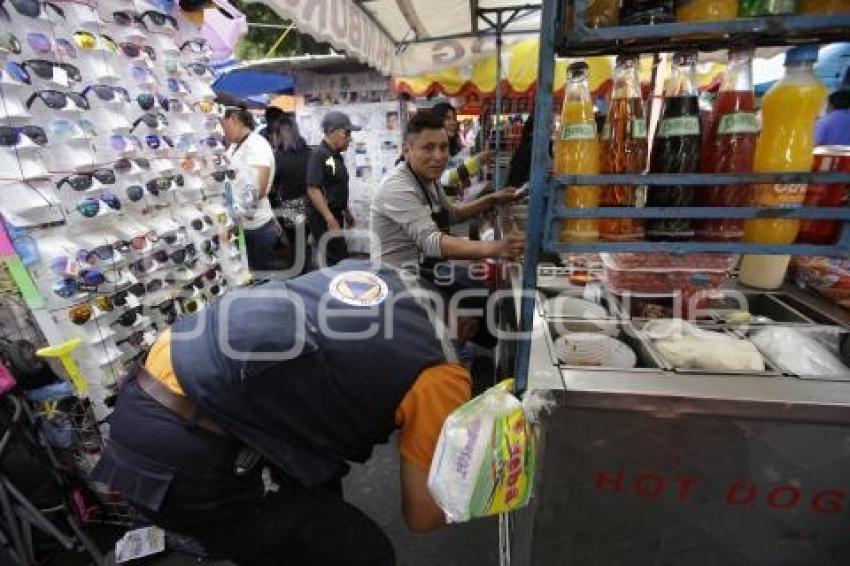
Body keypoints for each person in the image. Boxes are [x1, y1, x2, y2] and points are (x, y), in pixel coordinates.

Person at [91, 260, 475, 566]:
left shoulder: (375, 271)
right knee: (364, 555)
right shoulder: (441, 374)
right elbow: (423, 515)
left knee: (316, 499)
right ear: (468, 324)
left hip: (143, 397)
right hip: (188, 459)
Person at [370, 111, 525, 272]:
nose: (438, 156)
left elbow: (452, 214)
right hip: (396, 279)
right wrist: (497, 247)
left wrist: (492, 199)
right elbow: (431, 242)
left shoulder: (429, 179)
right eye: (428, 148)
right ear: (407, 150)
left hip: (425, 269)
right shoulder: (397, 187)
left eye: (443, 147)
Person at [221, 105, 281, 273]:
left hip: (256, 227)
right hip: (245, 225)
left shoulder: (256, 145)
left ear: (234, 119)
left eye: (223, 124)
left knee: (260, 280)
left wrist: (235, 218)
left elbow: (258, 189)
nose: (222, 130)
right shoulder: (236, 146)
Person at [306, 111, 359, 267]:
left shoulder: (335, 156)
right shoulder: (319, 155)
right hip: (323, 217)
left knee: (336, 257)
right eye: (346, 133)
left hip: (335, 214)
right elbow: (313, 189)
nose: (349, 138)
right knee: (337, 258)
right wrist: (329, 218)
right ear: (331, 131)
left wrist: (346, 212)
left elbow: (336, 187)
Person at [269, 115, 312, 275]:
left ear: (278, 134)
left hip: (288, 209)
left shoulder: (278, 157)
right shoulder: (308, 153)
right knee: (303, 243)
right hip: (308, 205)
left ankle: (298, 277)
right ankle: (305, 273)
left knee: (294, 245)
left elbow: (271, 187)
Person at [430, 102, 491, 197]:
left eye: (454, 118)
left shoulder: (450, 147)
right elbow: (442, 178)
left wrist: (461, 181)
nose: (453, 123)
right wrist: (476, 162)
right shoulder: (430, 147)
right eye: (447, 118)